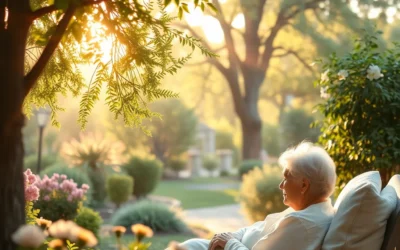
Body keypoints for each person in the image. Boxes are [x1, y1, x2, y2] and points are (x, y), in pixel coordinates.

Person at [169, 142, 337, 250]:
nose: (281, 185)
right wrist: (231, 237)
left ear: (304, 185)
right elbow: (256, 228)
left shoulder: (303, 223)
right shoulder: (308, 212)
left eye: (286, 178)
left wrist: (229, 243)